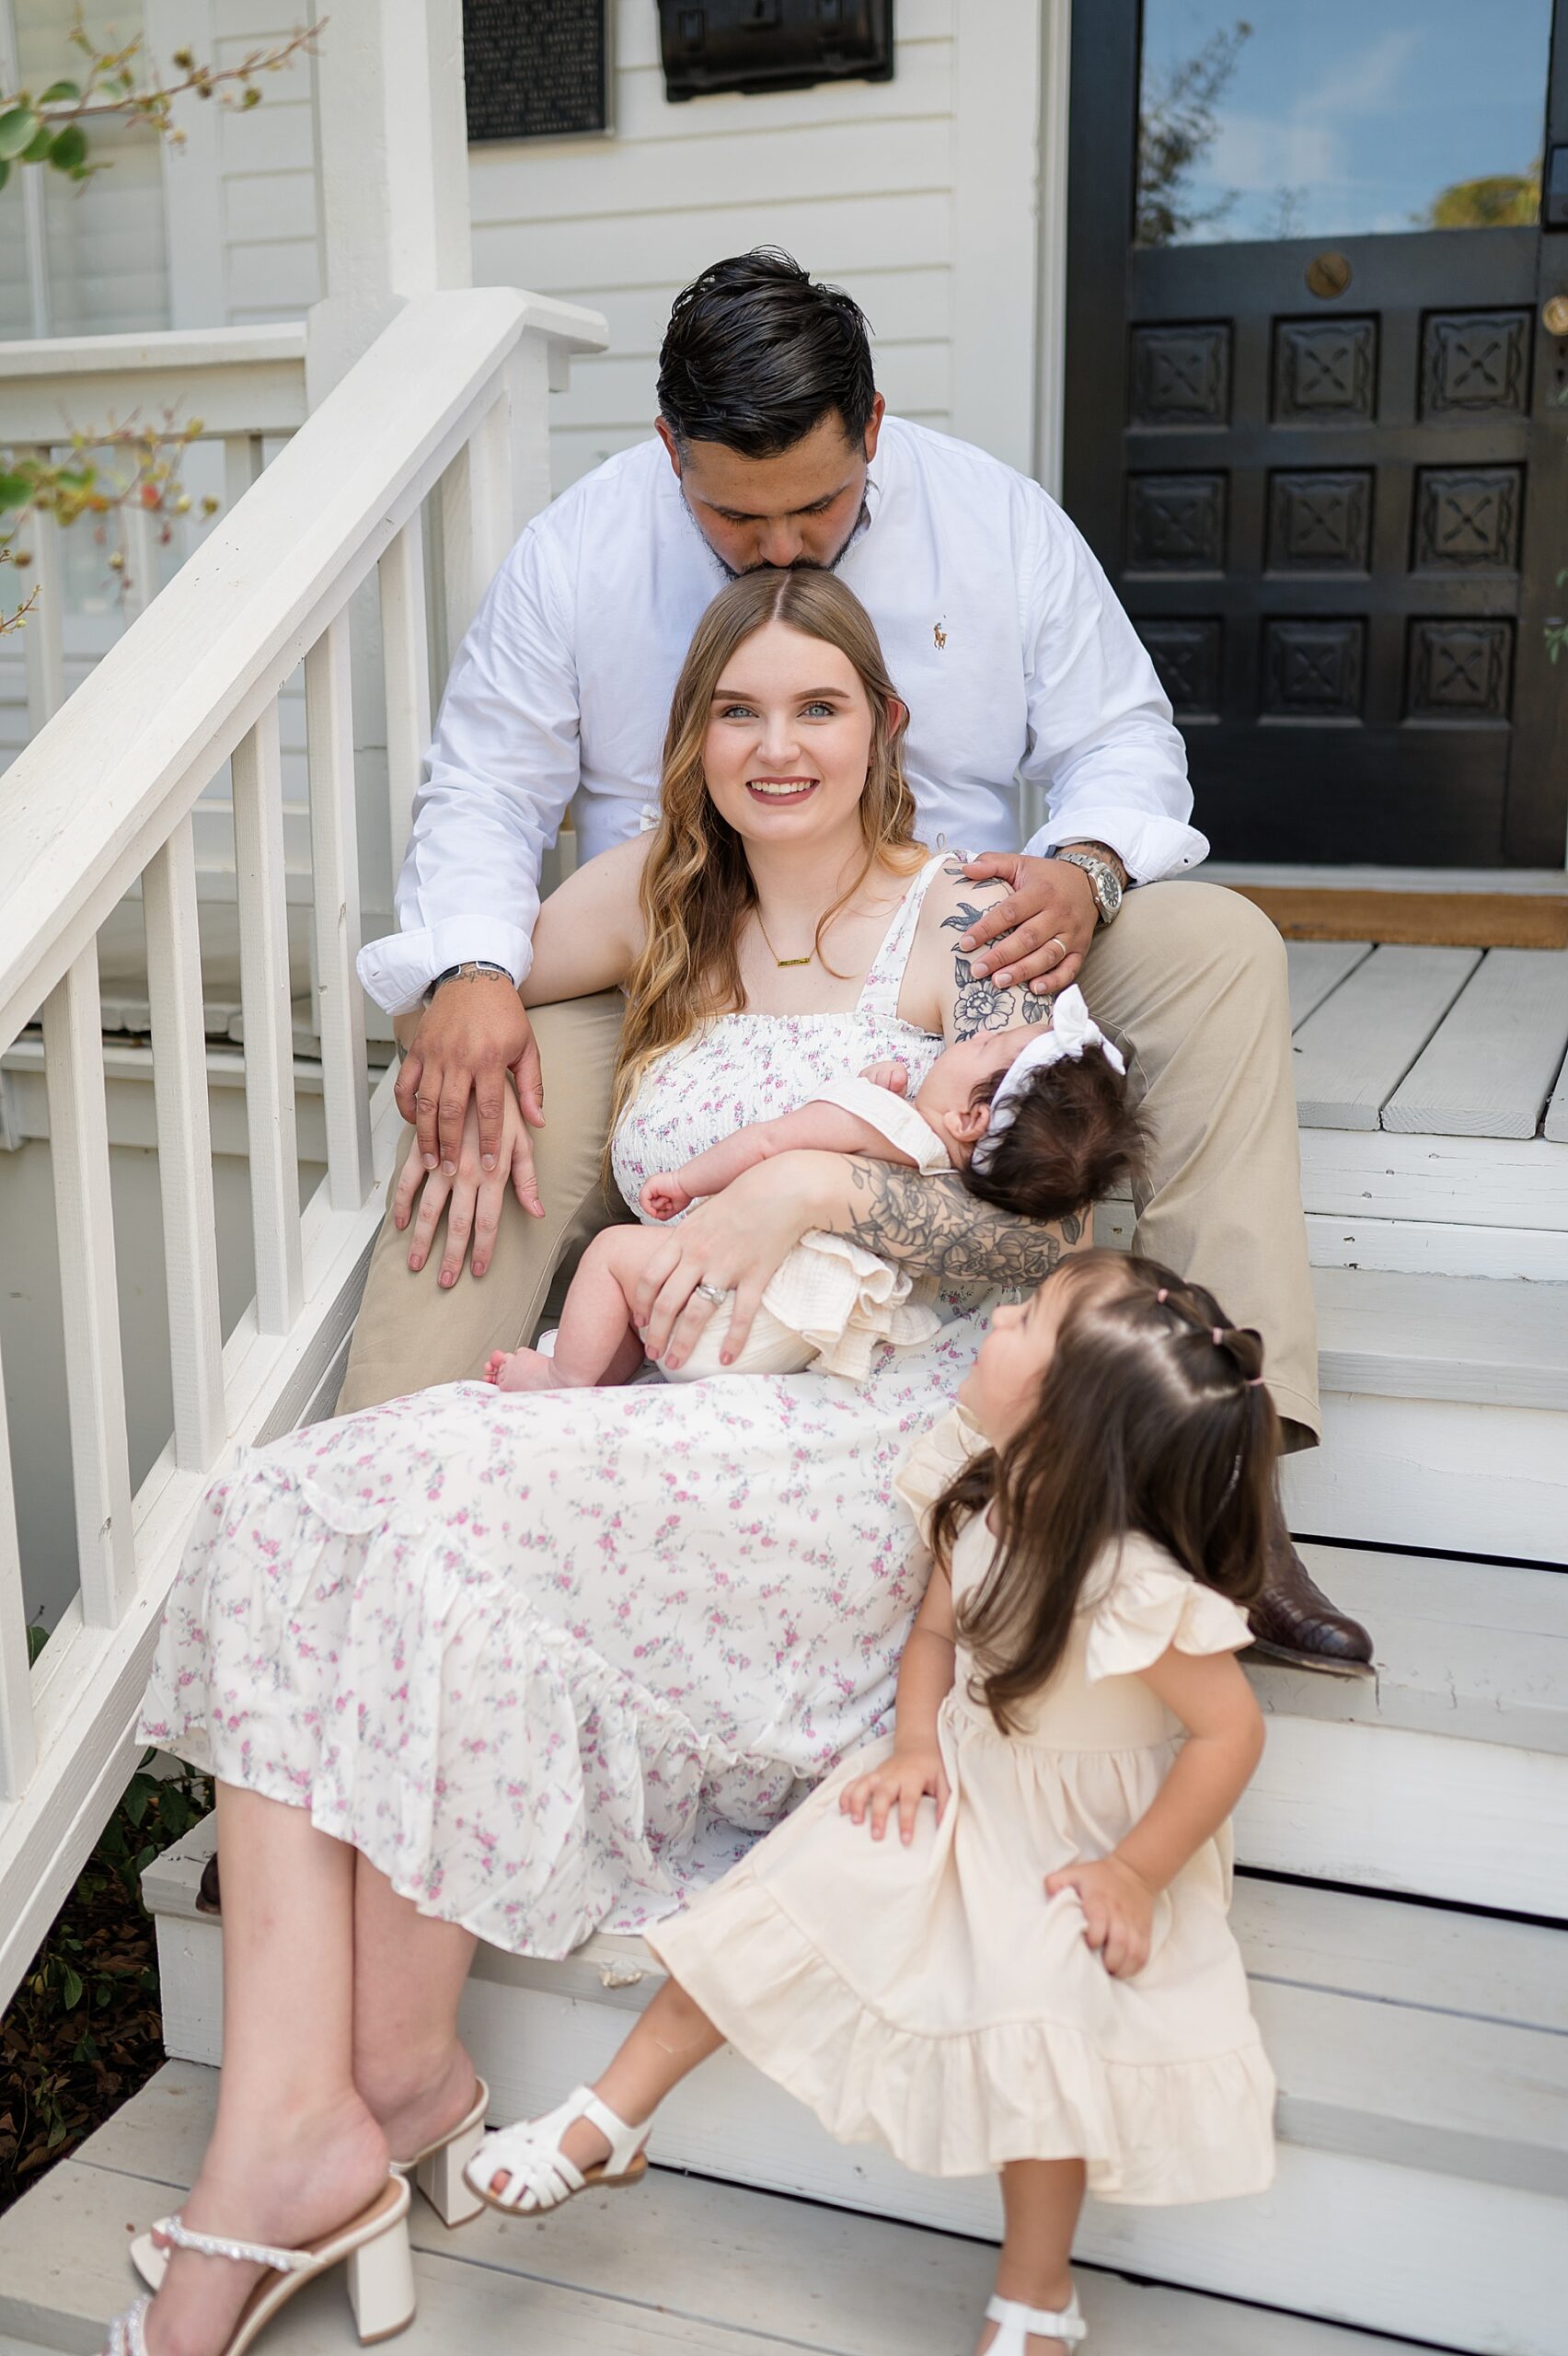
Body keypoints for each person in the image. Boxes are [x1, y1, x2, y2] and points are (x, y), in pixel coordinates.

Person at [120, 571, 1105, 2356]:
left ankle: (322, 2129)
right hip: (665, 1410)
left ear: (885, 724)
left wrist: (822, 1186)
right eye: (741, 711)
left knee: (456, 1496)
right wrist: (470, 988)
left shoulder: (965, 928)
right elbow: (452, 938)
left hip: (861, 1436)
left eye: (820, 706)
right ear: (693, 740)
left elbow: (1067, 1249)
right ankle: (345, 2101)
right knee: (283, 1496)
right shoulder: (653, 911)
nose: (780, 745)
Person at [345, 247, 1369, 1672]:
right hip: (682, 960)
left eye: (816, 506)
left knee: (1218, 947)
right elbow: (480, 795)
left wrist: (1086, 868)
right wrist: (464, 972)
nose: (778, 550)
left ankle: (1229, 1491)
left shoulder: (995, 524)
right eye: (732, 518)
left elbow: (1122, 740)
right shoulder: (576, 554)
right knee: (475, 1086)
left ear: (873, 426)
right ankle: (370, 1543)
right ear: (668, 453)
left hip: (964, 946)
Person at [463, 1253, 1279, 2356]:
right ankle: (613, 2114)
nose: (999, 1312)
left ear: (1072, 1413)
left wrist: (1136, 1869)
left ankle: (1038, 2296)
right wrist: (909, 1744)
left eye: (1027, 1317)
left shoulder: (1128, 1578)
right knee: (780, 1897)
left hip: (1087, 1837)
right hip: (965, 1776)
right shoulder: (983, 1491)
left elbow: (1232, 1733)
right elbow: (937, 1636)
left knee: (1050, 2010)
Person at [486, 987, 1139, 1392]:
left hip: (733, 1313)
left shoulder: (875, 1118)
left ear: (969, 1119)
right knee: (641, 1288)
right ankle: (609, 1373)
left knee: (610, 1253)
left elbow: (771, 1142)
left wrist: (686, 1180)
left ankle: (564, 1378)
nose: (972, 1037)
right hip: (789, 1342)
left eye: (986, 1042)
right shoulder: (943, 1166)